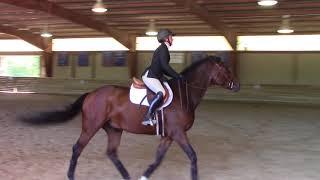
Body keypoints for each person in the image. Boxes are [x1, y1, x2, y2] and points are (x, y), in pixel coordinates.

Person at [141, 29, 182, 126]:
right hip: (151, 76)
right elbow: (165, 67)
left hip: (157, 76)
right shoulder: (163, 49)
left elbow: (163, 68)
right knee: (162, 92)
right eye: (171, 37)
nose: (173, 39)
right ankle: (148, 116)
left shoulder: (164, 48)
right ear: (166, 38)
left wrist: (175, 77)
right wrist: (177, 76)